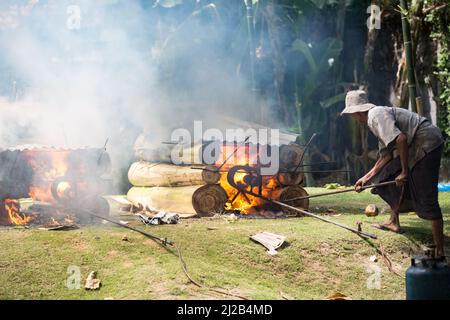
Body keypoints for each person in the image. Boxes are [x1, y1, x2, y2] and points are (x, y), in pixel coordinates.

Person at [341, 90, 445, 257]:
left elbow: (401, 139)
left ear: (357, 112)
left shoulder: (375, 115)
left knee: (427, 196)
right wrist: (365, 178)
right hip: (414, 144)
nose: (353, 119)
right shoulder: (374, 119)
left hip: (427, 141)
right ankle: (393, 221)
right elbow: (386, 155)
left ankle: (440, 250)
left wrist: (404, 172)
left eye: (352, 114)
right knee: (385, 177)